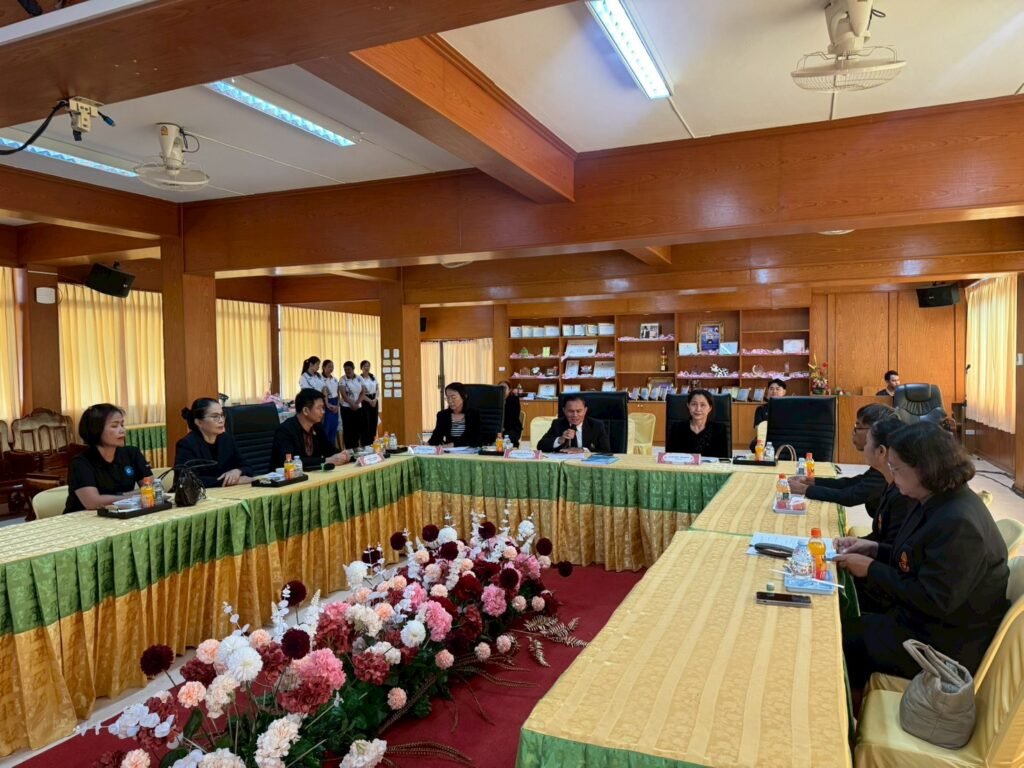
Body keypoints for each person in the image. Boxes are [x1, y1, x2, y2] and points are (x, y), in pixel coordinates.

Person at [834, 422, 1008, 690]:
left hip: (943, 646)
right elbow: (917, 557)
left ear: (925, 468)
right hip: (923, 621)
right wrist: (874, 549)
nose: (892, 475)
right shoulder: (933, 498)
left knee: (838, 637)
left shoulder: (959, 522)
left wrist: (871, 568)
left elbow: (933, 598)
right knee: (843, 619)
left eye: (896, 468)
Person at [833, 416, 914, 613]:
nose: (864, 446)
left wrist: (870, 565)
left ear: (882, 451)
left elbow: (903, 565)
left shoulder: (905, 495)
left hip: (892, 600)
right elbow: (886, 541)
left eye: (868, 441)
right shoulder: (892, 484)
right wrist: (869, 546)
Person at [788, 403, 896, 512]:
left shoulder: (888, 469)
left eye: (858, 427)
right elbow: (853, 483)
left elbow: (850, 496)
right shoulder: (883, 465)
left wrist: (805, 489)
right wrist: (811, 481)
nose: (853, 433)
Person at [65, 403, 152, 513]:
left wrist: (118, 497)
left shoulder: (132, 453)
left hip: (122, 515)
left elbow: (151, 488)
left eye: (122, 425)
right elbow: (92, 502)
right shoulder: (81, 462)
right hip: (85, 519)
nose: (122, 430)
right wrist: (131, 495)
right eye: (114, 426)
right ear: (96, 430)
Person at [175, 398, 254, 488]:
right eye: (215, 416)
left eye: (222, 415)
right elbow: (186, 480)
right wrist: (228, 481)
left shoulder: (227, 440)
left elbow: (247, 467)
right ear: (199, 422)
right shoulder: (186, 445)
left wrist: (238, 471)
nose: (221, 420)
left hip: (226, 493)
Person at [272, 388, 351, 470]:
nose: (323, 412)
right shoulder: (285, 430)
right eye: (319, 408)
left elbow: (329, 450)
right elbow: (290, 461)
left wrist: (344, 455)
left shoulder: (317, 427)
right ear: (305, 411)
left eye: (323, 408)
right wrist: (326, 460)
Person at [665, 389, 730, 458]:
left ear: (710, 408)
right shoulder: (677, 428)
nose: (698, 409)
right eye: (694, 404)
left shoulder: (719, 429)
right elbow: (669, 457)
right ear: (688, 405)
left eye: (703, 405)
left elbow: (723, 460)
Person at [537, 394, 611, 453]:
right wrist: (560, 439)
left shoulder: (596, 425)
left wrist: (583, 450)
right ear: (564, 410)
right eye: (570, 411)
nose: (575, 415)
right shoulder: (557, 424)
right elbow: (540, 446)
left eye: (579, 411)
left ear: (585, 410)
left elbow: (606, 451)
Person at [428, 382, 483, 448]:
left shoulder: (474, 415)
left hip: (469, 451)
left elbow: (475, 439)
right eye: (447, 398)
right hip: (449, 451)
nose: (450, 401)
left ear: (464, 397)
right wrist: (427, 444)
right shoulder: (442, 415)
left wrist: (453, 444)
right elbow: (436, 438)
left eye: (453, 397)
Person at [749, 378, 786, 450]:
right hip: (765, 437)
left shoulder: (788, 408)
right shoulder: (761, 409)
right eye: (771, 389)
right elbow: (758, 427)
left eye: (778, 389)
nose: (774, 391)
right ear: (767, 391)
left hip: (783, 437)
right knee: (754, 445)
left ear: (784, 392)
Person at [338, 360, 364, 450]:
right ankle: (349, 448)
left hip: (358, 407)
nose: (347, 371)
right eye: (345, 369)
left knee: (357, 428)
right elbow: (343, 395)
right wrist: (352, 404)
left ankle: (356, 446)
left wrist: (356, 403)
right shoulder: (342, 379)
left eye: (349, 369)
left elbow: (363, 392)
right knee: (348, 428)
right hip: (346, 407)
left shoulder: (359, 378)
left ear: (353, 369)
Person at [358, 360, 379, 448]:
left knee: (374, 421)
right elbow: (360, 393)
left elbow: (377, 389)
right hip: (365, 401)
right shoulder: (359, 378)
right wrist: (370, 401)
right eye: (365, 366)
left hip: (374, 400)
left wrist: (375, 399)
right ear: (361, 368)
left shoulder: (373, 377)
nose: (367, 368)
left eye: (368, 366)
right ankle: (365, 444)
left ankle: (372, 442)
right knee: (366, 422)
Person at [321, 360, 341, 447]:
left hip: (335, 404)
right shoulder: (321, 379)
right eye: (329, 366)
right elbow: (323, 394)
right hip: (326, 404)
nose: (331, 368)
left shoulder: (335, 379)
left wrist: (337, 405)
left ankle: (331, 449)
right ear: (323, 367)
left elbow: (338, 393)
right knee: (326, 428)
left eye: (332, 366)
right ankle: (325, 449)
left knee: (334, 428)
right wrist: (328, 405)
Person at [499, 380, 522, 447]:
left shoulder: (514, 399)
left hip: (512, 427)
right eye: (500, 387)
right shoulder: (496, 400)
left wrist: (503, 428)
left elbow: (513, 418)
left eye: (505, 388)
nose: (502, 389)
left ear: (509, 390)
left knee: (508, 438)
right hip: (499, 428)